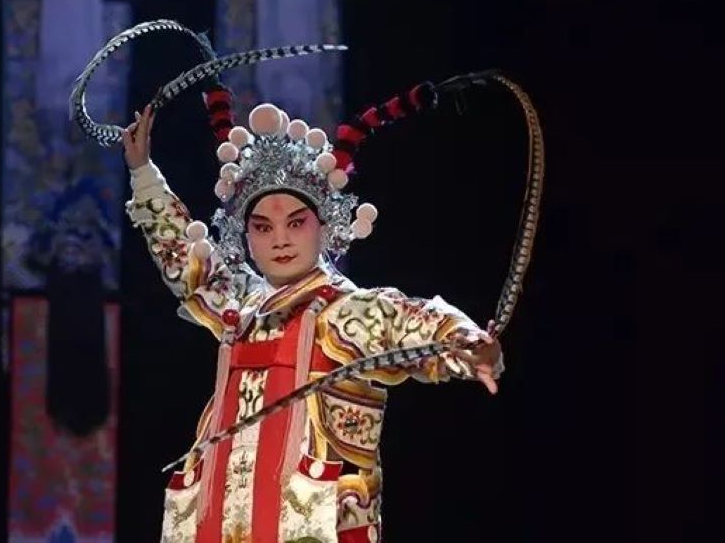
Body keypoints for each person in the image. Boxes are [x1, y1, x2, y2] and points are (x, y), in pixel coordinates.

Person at [122, 95, 503, 543]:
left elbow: (419, 322)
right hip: (222, 522)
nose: (280, 240)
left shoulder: (349, 310)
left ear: (323, 226)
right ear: (246, 236)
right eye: (263, 227)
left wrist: (470, 347)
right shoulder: (239, 306)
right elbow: (184, 257)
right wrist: (143, 172)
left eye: (296, 223)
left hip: (315, 524)